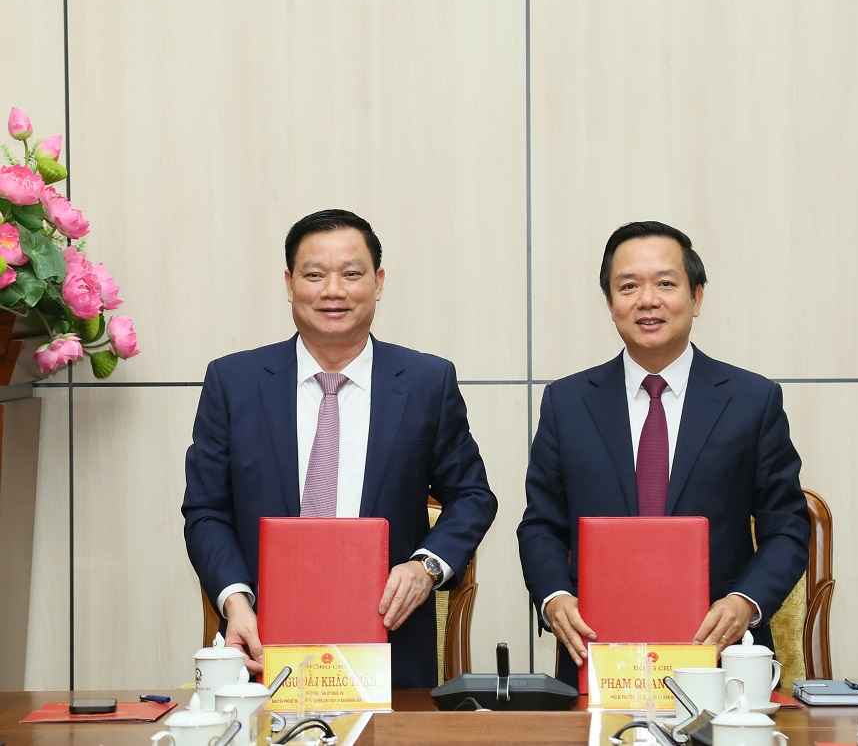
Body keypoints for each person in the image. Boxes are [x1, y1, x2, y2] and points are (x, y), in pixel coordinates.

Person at [183, 209, 497, 688]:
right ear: (289, 283)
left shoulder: (426, 382)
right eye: (314, 275)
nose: (333, 291)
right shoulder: (234, 382)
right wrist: (234, 599)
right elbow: (206, 509)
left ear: (378, 281)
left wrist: (426, 567)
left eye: (352, 274)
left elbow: (473, 497)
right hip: (262, 646)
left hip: (389, 648)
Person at [517, 220, 810, 687]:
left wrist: (744, 602)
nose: (647, 300)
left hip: (719, 655)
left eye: (665, 284)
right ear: (611, 303)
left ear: (696, 298)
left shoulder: (752, 400)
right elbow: (540, 525)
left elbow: (788, 526)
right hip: (598, 656)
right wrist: (554, 597)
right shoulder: (567, 403)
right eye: (628, 286)